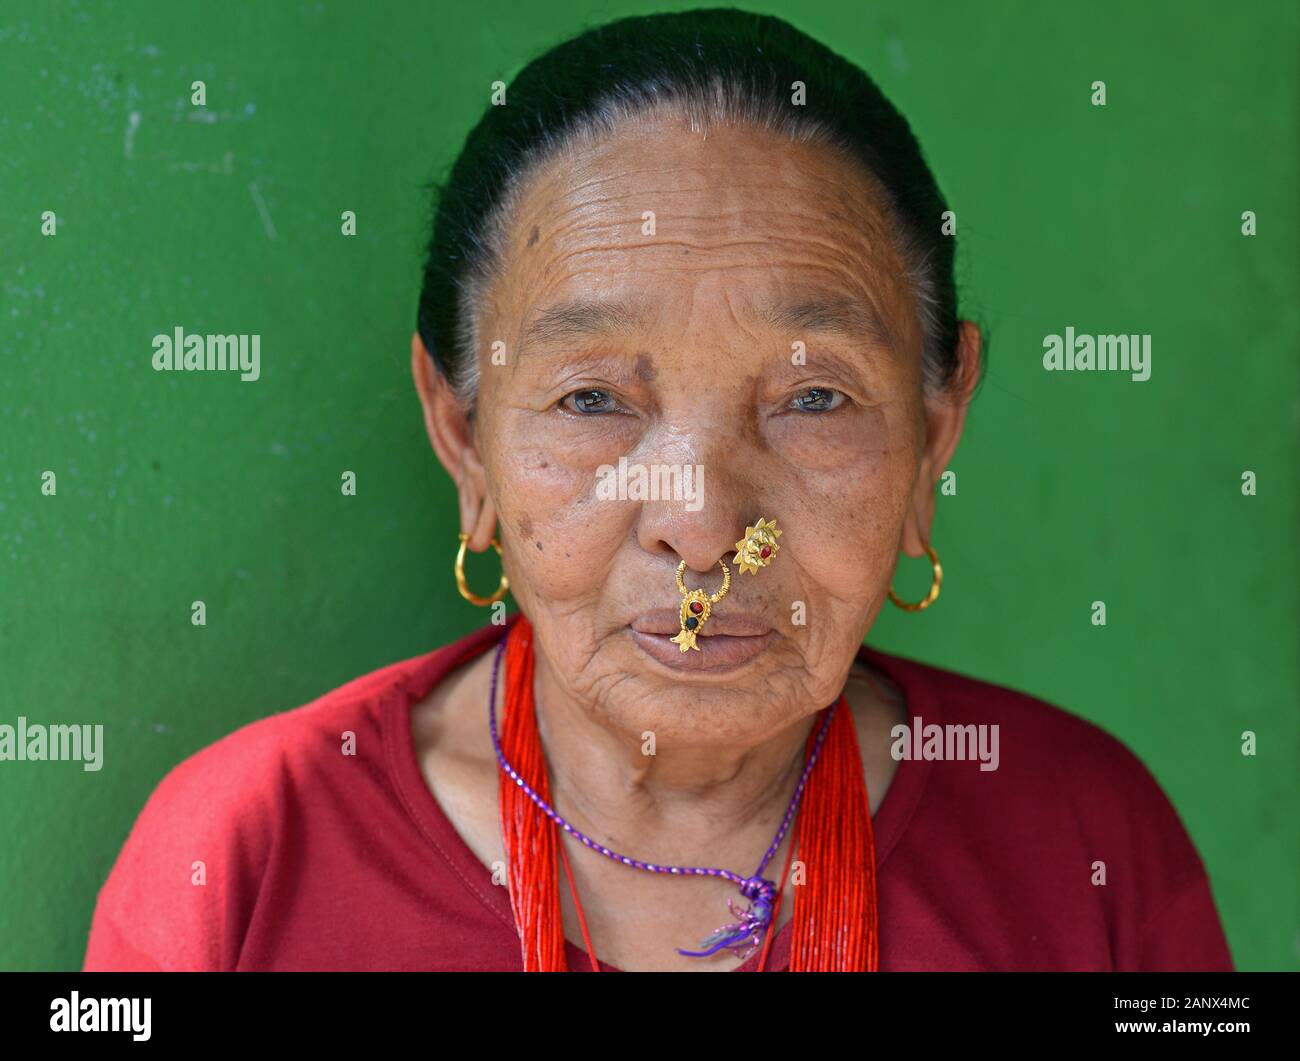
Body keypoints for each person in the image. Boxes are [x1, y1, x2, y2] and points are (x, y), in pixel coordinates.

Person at [84, 8, 1233, 972]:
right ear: (463, 436)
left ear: (936, 426)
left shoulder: (1086, 844)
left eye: (814, 398)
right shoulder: (243, 858)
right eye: (592, 400)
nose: (702, 524)